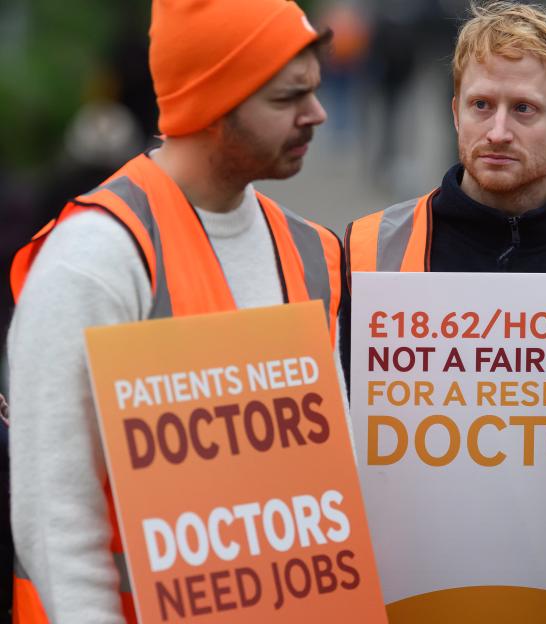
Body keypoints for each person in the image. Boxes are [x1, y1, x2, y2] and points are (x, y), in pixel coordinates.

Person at [5, 1, 344, 621]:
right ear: (215, 103)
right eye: (286, 99)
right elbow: (57, 520)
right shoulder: (96, 260)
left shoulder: (314, 253)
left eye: (313, 91)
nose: (316, 114)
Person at [341, 0, 546, 372]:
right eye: (481, 105)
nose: (498, 133)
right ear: (455, 114)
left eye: (523, 109)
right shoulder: (366, 252)